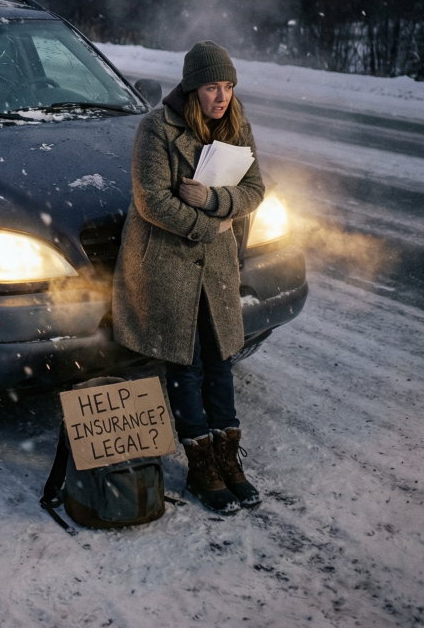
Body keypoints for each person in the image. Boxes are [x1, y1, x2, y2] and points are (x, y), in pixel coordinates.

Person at [113, 40, 265, 514]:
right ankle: (202, 467)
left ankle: (227, 460)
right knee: (187, 362)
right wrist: (208, 226)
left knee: (221, 357)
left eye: (228, 86)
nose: (222, 96)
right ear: (192, 87)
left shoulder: (237, 127)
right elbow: (151, 201)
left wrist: (213, 202)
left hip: (216, 265)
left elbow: (256, 189)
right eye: (212, 87)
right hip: (166, 262)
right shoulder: (156, 128)